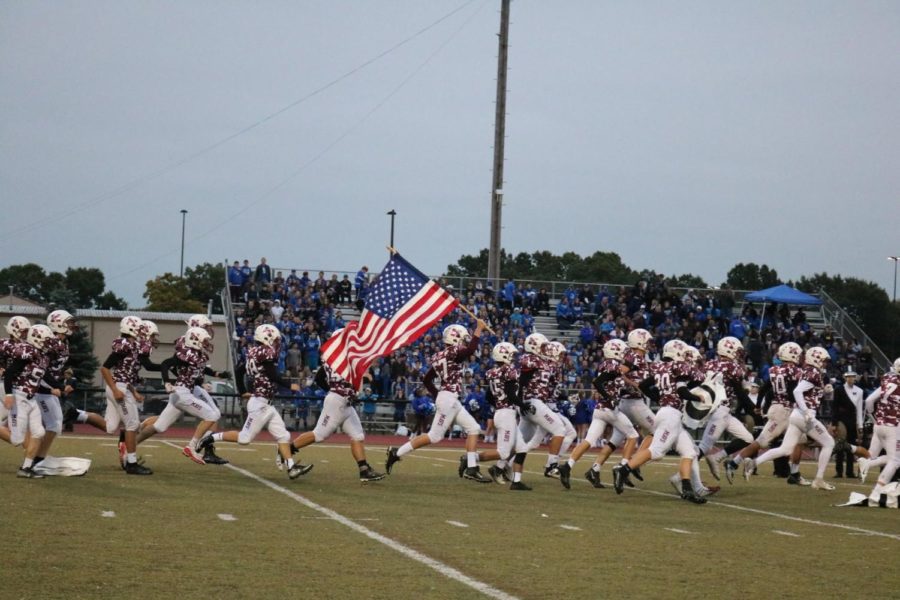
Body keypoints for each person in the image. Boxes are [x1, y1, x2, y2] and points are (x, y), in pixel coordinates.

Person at [198, 324, 312, 479]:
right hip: (260, 403)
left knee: (284, 436)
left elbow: (239, 371)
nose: (277, 342)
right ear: (267, 337)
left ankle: (291, 468)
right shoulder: (265, 351)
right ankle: (210, 438)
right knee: (244, 439)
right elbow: (272, 374)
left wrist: (242, 390)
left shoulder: (252, 351)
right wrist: (289, 384)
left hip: (265, 403)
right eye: (275, 339)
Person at [386, 320, 490, 482]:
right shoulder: (454, 352)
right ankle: (396, 452)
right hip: (448, 399)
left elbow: (427, 380)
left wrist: (438, 396)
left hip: (449, 398)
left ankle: (471, 468)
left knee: (474, 429)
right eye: (462, 338)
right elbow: (471, 349)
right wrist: (479, 329)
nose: (464, 341)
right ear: (455, 339)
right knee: (434, 436)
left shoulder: (440, 355)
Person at [612, 339, 708, 504]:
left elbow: (642, 385)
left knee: (690, 452)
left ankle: (687, 489)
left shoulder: (660, 367)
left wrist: (660, 398)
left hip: (669, 413)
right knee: (656, 451)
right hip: (670, 415)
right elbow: (683, 390)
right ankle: (623, 469)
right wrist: (697, 397)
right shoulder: (678, 367)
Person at [743, 347, 836, 491]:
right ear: (816, 359)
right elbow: (797, 391)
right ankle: (819, 479)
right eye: (823, 361)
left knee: (785, 449)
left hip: (796, 415)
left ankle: (754, 463)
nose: (825, 364)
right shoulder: (813, 372)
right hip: (804, 416)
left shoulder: (807, 371)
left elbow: (808, 393)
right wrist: (806, 411)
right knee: (829, 443)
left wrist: (824, 391)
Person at [283, 354, 385, 482]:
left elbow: (320, 378)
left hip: (345, 403)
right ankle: (286, 451)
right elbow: (354, 377)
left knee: (357, 435)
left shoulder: (334, 358)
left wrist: (332, 389)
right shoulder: (346, 358)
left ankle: (364, 470)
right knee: (319, 435)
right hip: (337, 402)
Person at [135, 327, 225, 465]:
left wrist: (209, 379)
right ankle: (191, 447)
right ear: (195, 340)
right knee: (212, 415)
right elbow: (166, 364)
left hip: (182, 393)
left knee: (159, 427)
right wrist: (166, 382)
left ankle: (130, 445)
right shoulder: (188, 353)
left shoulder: (198, 355)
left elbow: (195, 372)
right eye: (204, 340)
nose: (207, 343)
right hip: (182, 394)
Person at [558, 339, 639, 490]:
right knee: (633, 435)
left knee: (589, 440)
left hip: (600, 409)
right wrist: (609, 397)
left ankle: (568, 466)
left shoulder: (607, 365)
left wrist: (625, 391)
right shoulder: (614, 365)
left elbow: (610, 384)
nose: (625, 353)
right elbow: (598, 382)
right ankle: (623, 468)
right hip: (609, 409)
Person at [725, 342, 805, 485]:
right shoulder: (795, 371)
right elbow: (793, 392)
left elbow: (763, 389)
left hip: (779, 408)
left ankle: (795, 474)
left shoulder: (775, 370)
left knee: (799, 440)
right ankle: (734, 463)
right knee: (762, 441)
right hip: (784, 411)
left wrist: (757, 406)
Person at [696, 336, 755, 483]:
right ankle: (683, 477)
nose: (739, 355)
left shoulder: (709, 364)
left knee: (748, 439)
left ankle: (717, 457)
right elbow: (741, 391)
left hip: (719, 409)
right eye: (737, 351)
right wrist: (747, 389)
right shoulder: (733, 367)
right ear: (729, 351)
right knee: (704, 446)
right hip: (719, 410)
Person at [100, 316, 153, 475]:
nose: (142, 331)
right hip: (119, 389)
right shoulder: (124, 345)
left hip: (123, 387)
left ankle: (78, 415)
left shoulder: (132, 345)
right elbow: (104, 368)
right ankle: (131, 463)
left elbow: (124, 374)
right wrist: (115, 389)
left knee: (113, 426)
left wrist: (133, 390)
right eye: (139, 328)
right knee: (132, 425)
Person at [3, 324, 56, 478]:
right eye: (46, 340)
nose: (48, 343)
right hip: (19, 396)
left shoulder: (43, 356)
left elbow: (45, 375)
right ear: (37, 338)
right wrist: (8, 394)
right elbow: (10, 373)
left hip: (32, 399)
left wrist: (59, 386)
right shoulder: (27, 351)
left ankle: (26, 468)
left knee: (39, 432)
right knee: (16, 439)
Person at [31, 310, 79, 466]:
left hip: (48, 386)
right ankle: (35, 459)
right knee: (49, 425)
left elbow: (57, 367)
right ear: (57, 323)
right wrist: (56, 386)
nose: (71, 325)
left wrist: (70, 381)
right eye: (68, 322)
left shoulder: (64, 342)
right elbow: (41, 369)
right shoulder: (51, 342)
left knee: (55, 424)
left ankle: (38, 459)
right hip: (39, 387)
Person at [858, 357, 900, 491]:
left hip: (879, 424)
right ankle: (877, 490)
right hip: (893, 426)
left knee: (875, 454)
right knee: (895, 460)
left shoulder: (887, 380)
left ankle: (867, 464)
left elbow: (869, 400)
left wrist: (873, 417)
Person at [0, 316, 32, 445]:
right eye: (23, 331)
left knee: (27, 425)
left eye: (26, 331)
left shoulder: (28, 346)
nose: (25, 334)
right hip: (6, 386)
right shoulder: (4, 344)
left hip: (20, 387)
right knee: (23, 426)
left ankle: (31, 454)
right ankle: (31, 454)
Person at [832, 368, 864, 478]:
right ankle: (839, 471)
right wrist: (834, 423)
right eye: (849, 377)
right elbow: (834, 407)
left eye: (853, 376)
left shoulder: (860, 391)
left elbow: (859, 410)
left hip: (852, 420)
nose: (851, 379)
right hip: (841, 419)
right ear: (845, 378)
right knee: (840, 446)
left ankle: (850, 472)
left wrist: (860, 426)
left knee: (851, 447)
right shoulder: (838, 389)